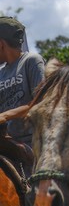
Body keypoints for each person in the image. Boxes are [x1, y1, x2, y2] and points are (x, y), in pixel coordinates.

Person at [0, 17, 44, 149]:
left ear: (1, 43)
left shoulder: (31, 61)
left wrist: (5, 115)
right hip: (7, 141)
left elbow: (40, 102)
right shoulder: (1, 72)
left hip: (31, 142)